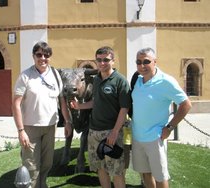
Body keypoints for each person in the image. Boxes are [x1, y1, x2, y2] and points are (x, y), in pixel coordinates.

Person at [12, 41, 72, 188]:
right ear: (33, 56)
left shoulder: (56, 75)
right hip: (30, 128)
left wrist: (68, 122)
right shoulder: (25, 76)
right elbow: (16, 104)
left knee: (47, 163)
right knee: (31, 165)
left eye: (46, 55)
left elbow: (61, 100)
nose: (43, 58)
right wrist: (21, 131)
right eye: (39, 54)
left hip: (50, 127)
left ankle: (42, 184)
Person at [71, 46, 131, 188]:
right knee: (100, 168)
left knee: (117, 171)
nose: (102, 63)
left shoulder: (120, 81)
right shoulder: (96, 80)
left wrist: (115, 132)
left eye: (106, 60)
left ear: (113, 61)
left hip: (112, 133)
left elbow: (124, 108)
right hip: (94, 132)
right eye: (99, 60)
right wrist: (79, 106)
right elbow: (95, 102)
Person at [131, 47, 192, 188]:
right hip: (137, 136)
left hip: (155, 137)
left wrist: (170, 127)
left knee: (160, 177)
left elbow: (186, 104)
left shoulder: (166, 81)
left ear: (155, 62)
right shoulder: (138, 80)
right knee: (145, 173)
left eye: (146, 61)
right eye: (138, 62)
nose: (142, 65)